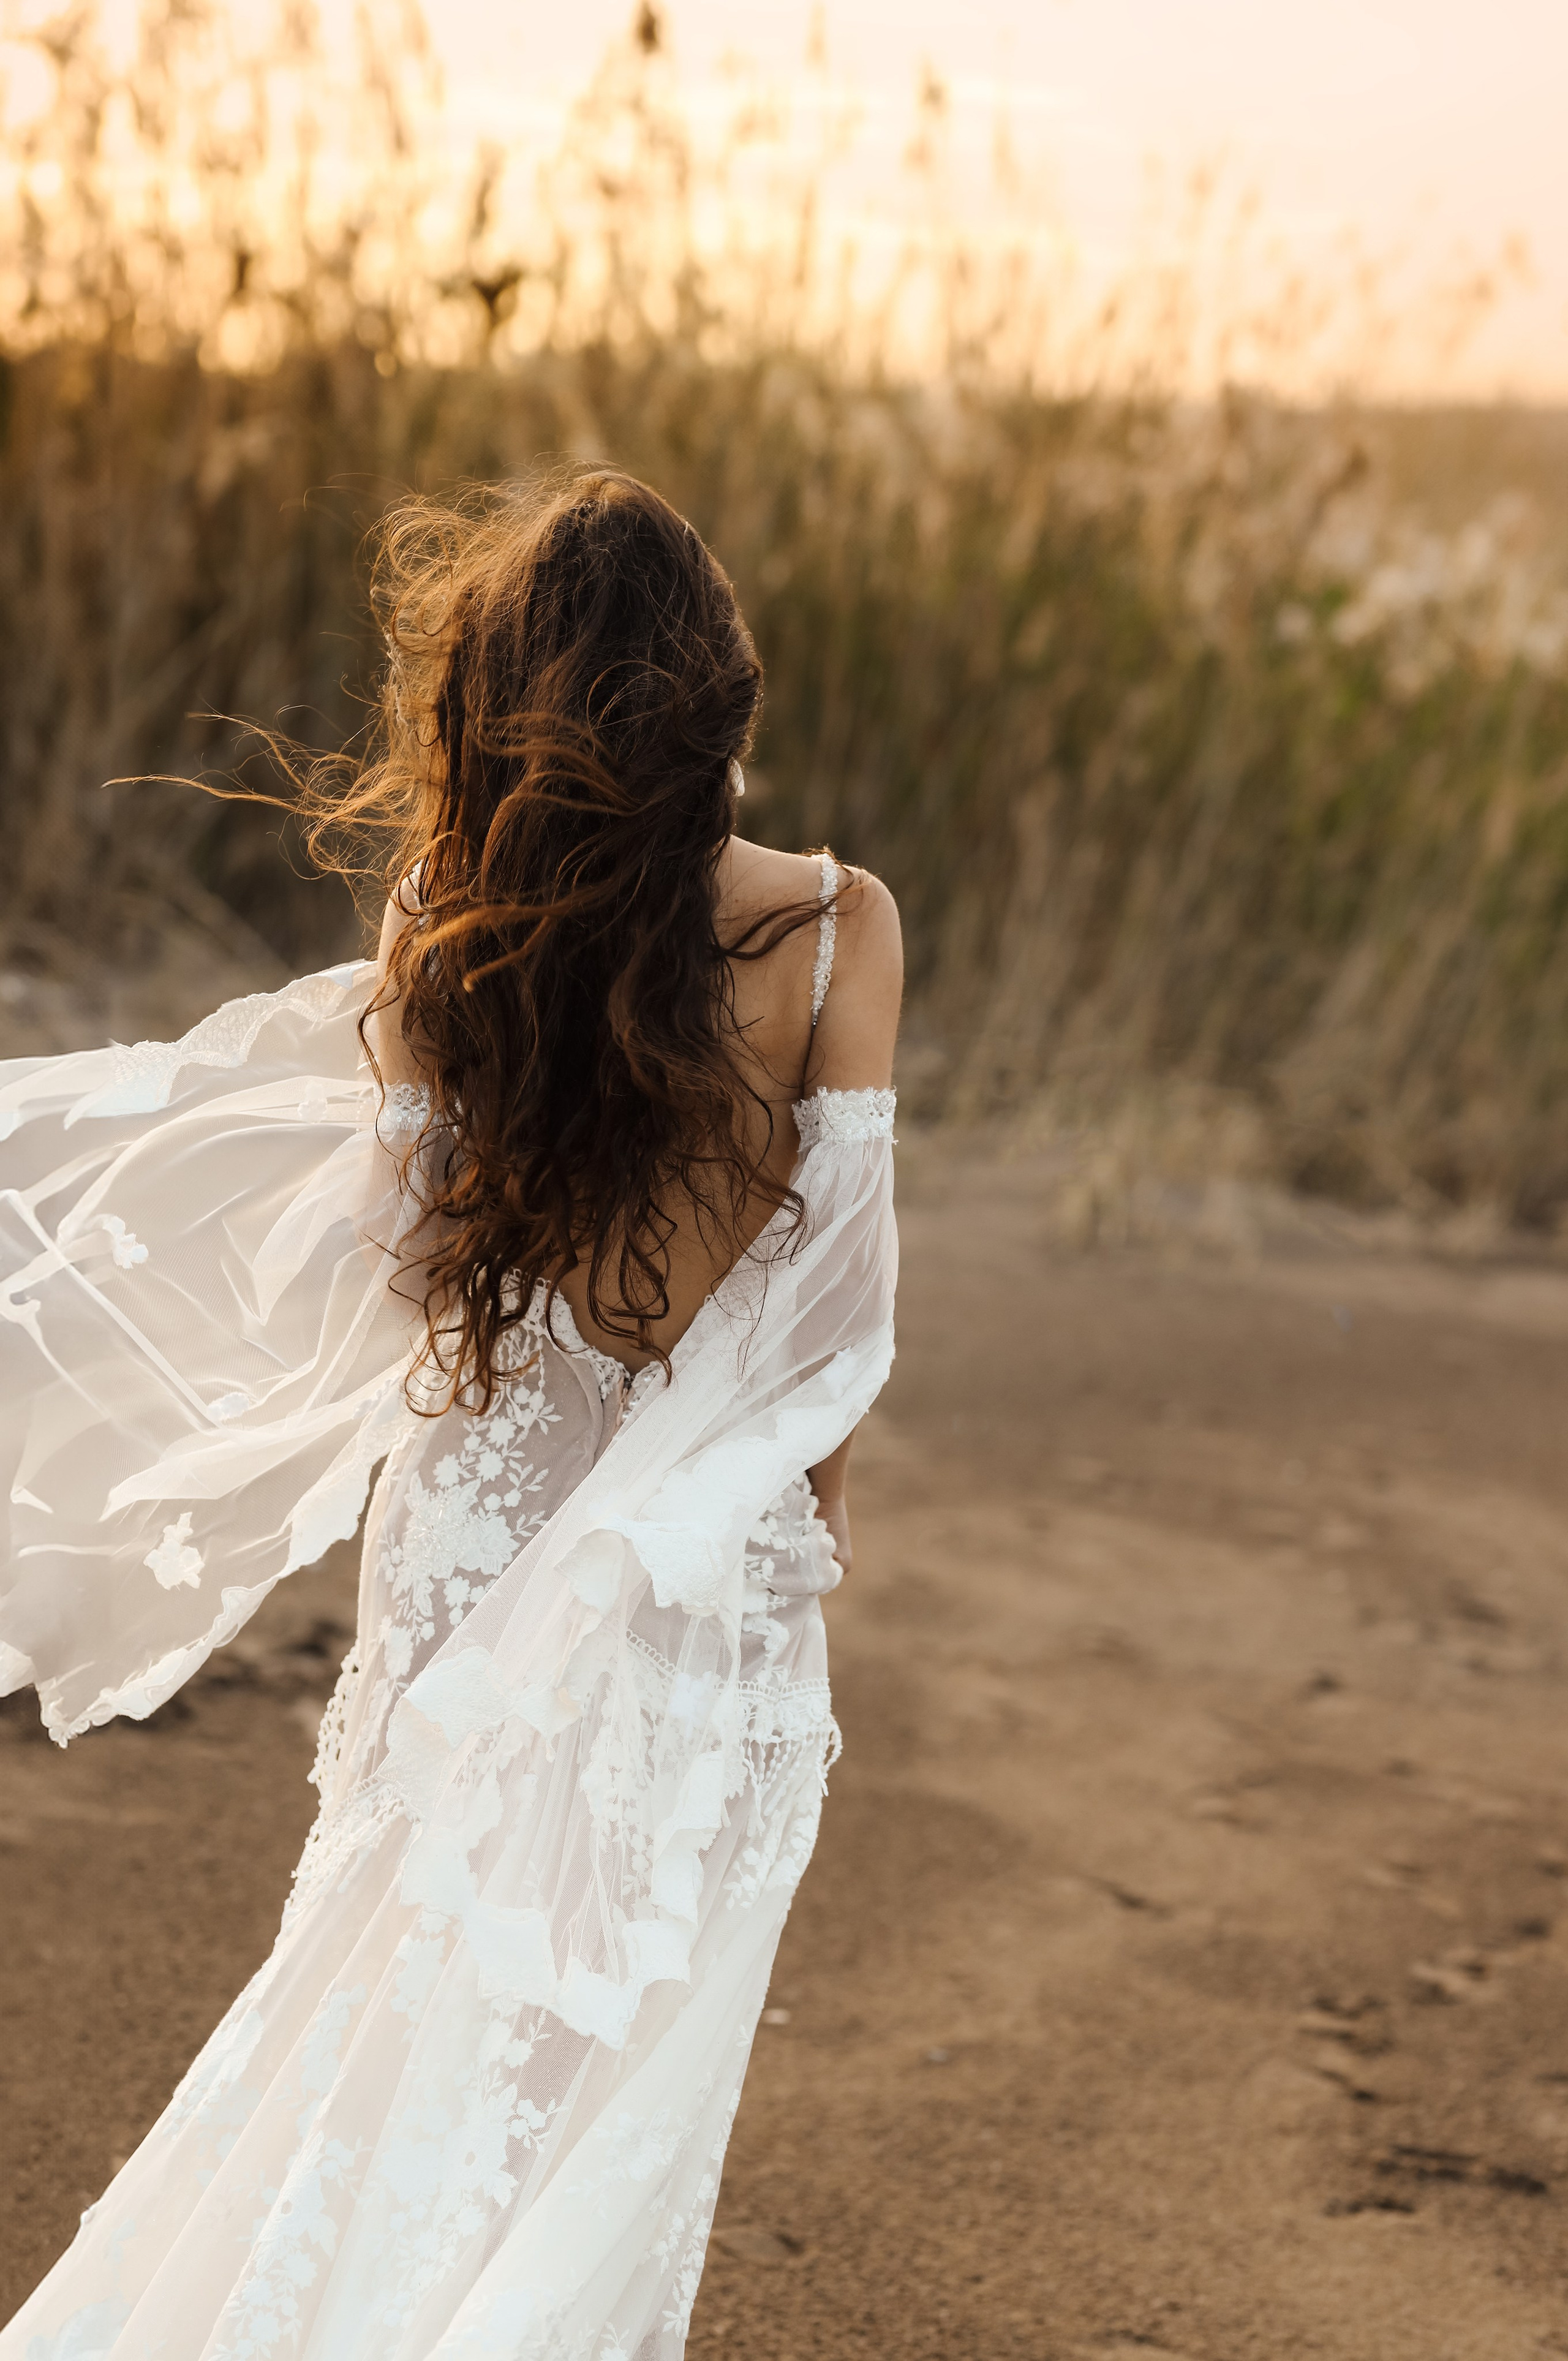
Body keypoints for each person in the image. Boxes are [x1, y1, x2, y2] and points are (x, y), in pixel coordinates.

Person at [0, 470, 901, 2359]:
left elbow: (414, 1269)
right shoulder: (834, 933)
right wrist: (812, 1517)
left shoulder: (450, 933)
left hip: (484, 1522)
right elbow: (833, 1303)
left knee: (389, 1989)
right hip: (708, 1566)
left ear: (496, 714)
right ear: (722, 696)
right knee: (628, 2069)